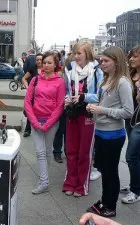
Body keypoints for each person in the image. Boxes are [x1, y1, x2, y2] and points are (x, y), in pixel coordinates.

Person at [86, 46, 134, 217]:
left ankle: (110, 206)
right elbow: (105, 103)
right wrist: (93, 105)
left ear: (117, 61)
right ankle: (105, 201)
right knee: (105, 171)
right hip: (100, 132)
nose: (102, 63)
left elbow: (128, 112)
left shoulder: (122, 82)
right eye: (101, 60)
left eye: (106, 61)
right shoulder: (107, 79)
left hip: (113, 135)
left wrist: (102, 110)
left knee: (110, 172)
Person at [62, 42, 104, 197]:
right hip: (72, 112)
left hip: (87, 113)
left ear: (87, 53)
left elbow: (99, 95)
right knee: (71, 150)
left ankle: (81, 186)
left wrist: (83, 96)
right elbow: (67, 91)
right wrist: (67, 98)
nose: (76, 56)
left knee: (84, 152)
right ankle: (70, 183)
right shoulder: (69, 68)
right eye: (74, 53)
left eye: (79, 53)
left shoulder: (97, 70)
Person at [24, 51, 66, 194]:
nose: (46, 65)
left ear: (55, 65)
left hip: (51, 123)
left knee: (47, 151)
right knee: (40, 152)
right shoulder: (35, 80)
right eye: (44, 62)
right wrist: (34, 122)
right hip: (36, 120)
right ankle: (44, 182)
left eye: (49, 63)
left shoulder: (60, 82)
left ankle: (44, 179)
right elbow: (27, 102)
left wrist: (48, 124)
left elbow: (60, 105)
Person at [120, 45, 140, 204]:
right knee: (136, 156)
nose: (131, 59)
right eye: (130, 56)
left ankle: (135, 191)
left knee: (131, 156)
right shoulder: (130, 75)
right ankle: (135, 185)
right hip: (129, 120)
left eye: (135, 56)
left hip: (139, 123)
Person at [22, 53, 43, 137]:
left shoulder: (46, 68)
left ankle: (41, 128)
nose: (38, 61)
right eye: (37, 60)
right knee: (30, 111)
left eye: (40, 59)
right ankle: (27, 130)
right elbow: (24, 78)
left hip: (43, 95)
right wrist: (27, 87)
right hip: (33, 94)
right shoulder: (33, 68)